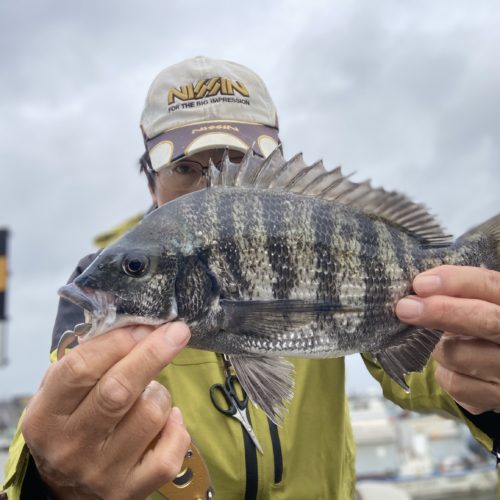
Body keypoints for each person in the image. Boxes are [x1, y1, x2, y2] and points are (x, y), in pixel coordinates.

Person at [3, 56, 500, 500]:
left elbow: (433, 369)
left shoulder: (325, 233)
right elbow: (59, 417)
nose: (212, 183)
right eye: (185, 166)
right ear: (151, 177)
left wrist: (486, 385)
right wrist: (50, 484)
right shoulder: (107, 283)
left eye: (238, 163)